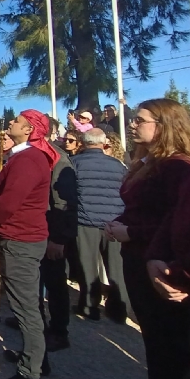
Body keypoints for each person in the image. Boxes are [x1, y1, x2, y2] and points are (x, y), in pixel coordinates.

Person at [106, 98, 190, 379]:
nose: (132, 124)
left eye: (140, 120)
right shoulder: (150, 162)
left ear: (165, 125)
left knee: (171, 352)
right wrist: (123, 224)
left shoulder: (178, 166)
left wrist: (131, 231)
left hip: (161, 267)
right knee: (158, 350)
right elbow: (147, 210)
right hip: (141, 260)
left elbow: (178, 221)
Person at [0, 110, 56, 379]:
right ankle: (37, 358)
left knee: (26, 309)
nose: (9, 123)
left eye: (16, 122)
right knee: (29, 304)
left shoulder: (29, 159)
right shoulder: (27, 157)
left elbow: (9, 201)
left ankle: (29, 376)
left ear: (28, 130)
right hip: (23, 237)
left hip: (20, 239)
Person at [71, 128, 130, 323]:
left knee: (87, 266)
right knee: (117, 268)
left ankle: (89, 307)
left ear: (83, 142)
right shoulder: (118, 165)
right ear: (104, 143)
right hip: (114, 221)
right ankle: (119, 310)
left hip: (85, 220)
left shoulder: (75, 163)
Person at [38, 117, 77, 351]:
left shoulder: (58, 159)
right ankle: (36, 322)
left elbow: (64, 202)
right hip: (36, 230)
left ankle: (59, 331)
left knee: (55, 283)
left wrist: (58, 239)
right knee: (36, 280)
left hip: (52, 232)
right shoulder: (37, 155)